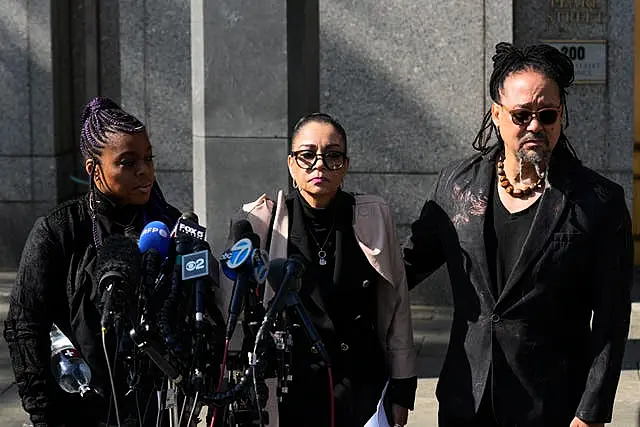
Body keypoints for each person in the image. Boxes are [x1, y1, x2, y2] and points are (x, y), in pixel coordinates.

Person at [403, 42, 633, 427]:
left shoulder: (599, 202)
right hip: (467, 400)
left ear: (561, 116)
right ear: (496, 114)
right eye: (521, 115)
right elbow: (406, 264)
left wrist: (592, 409)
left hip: (552, 403)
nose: (534, 127)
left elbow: (612, 317)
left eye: (547, 115)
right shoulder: (456, 187)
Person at [218, 113, 417, 427]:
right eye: (307, 155)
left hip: (362, 384)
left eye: (332, 156)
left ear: (346, 165)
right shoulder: (264, 222)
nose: (319, 165)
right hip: (294, 389)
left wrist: (403, 386)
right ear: (291, 164)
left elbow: (397, 306)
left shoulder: (373, 216)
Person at [3, 97, 181, 426]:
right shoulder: (58, 229)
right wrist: (42, 412)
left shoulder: (167, 225)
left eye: (148, 158)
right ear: (93, 169)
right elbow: (24, 325)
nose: (144, 170)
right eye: (128, 162)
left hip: (149, 408)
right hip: (76, 408)